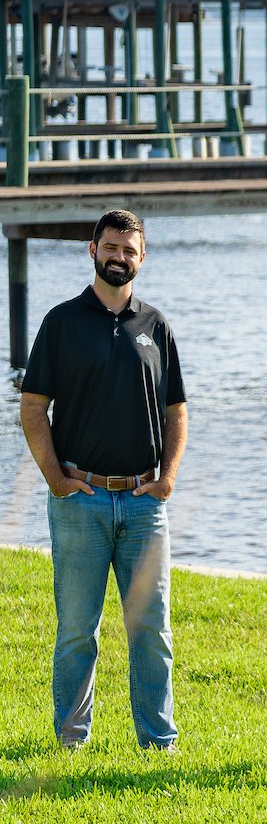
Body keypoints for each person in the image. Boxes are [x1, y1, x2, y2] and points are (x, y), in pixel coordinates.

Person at [19, 209, 187, 752]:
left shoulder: (156, 326)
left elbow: (176, 410)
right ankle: (71, 739)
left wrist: (167, 480)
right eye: (110, 247)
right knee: (75, 633)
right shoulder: (62, 322)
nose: (120, 257)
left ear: (143, 257)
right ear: (92, 250)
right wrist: (56, 480)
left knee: (152, 632)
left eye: (129, 250)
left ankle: (157, 741)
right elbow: (32, 407)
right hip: (81, 501)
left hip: (143, 503)